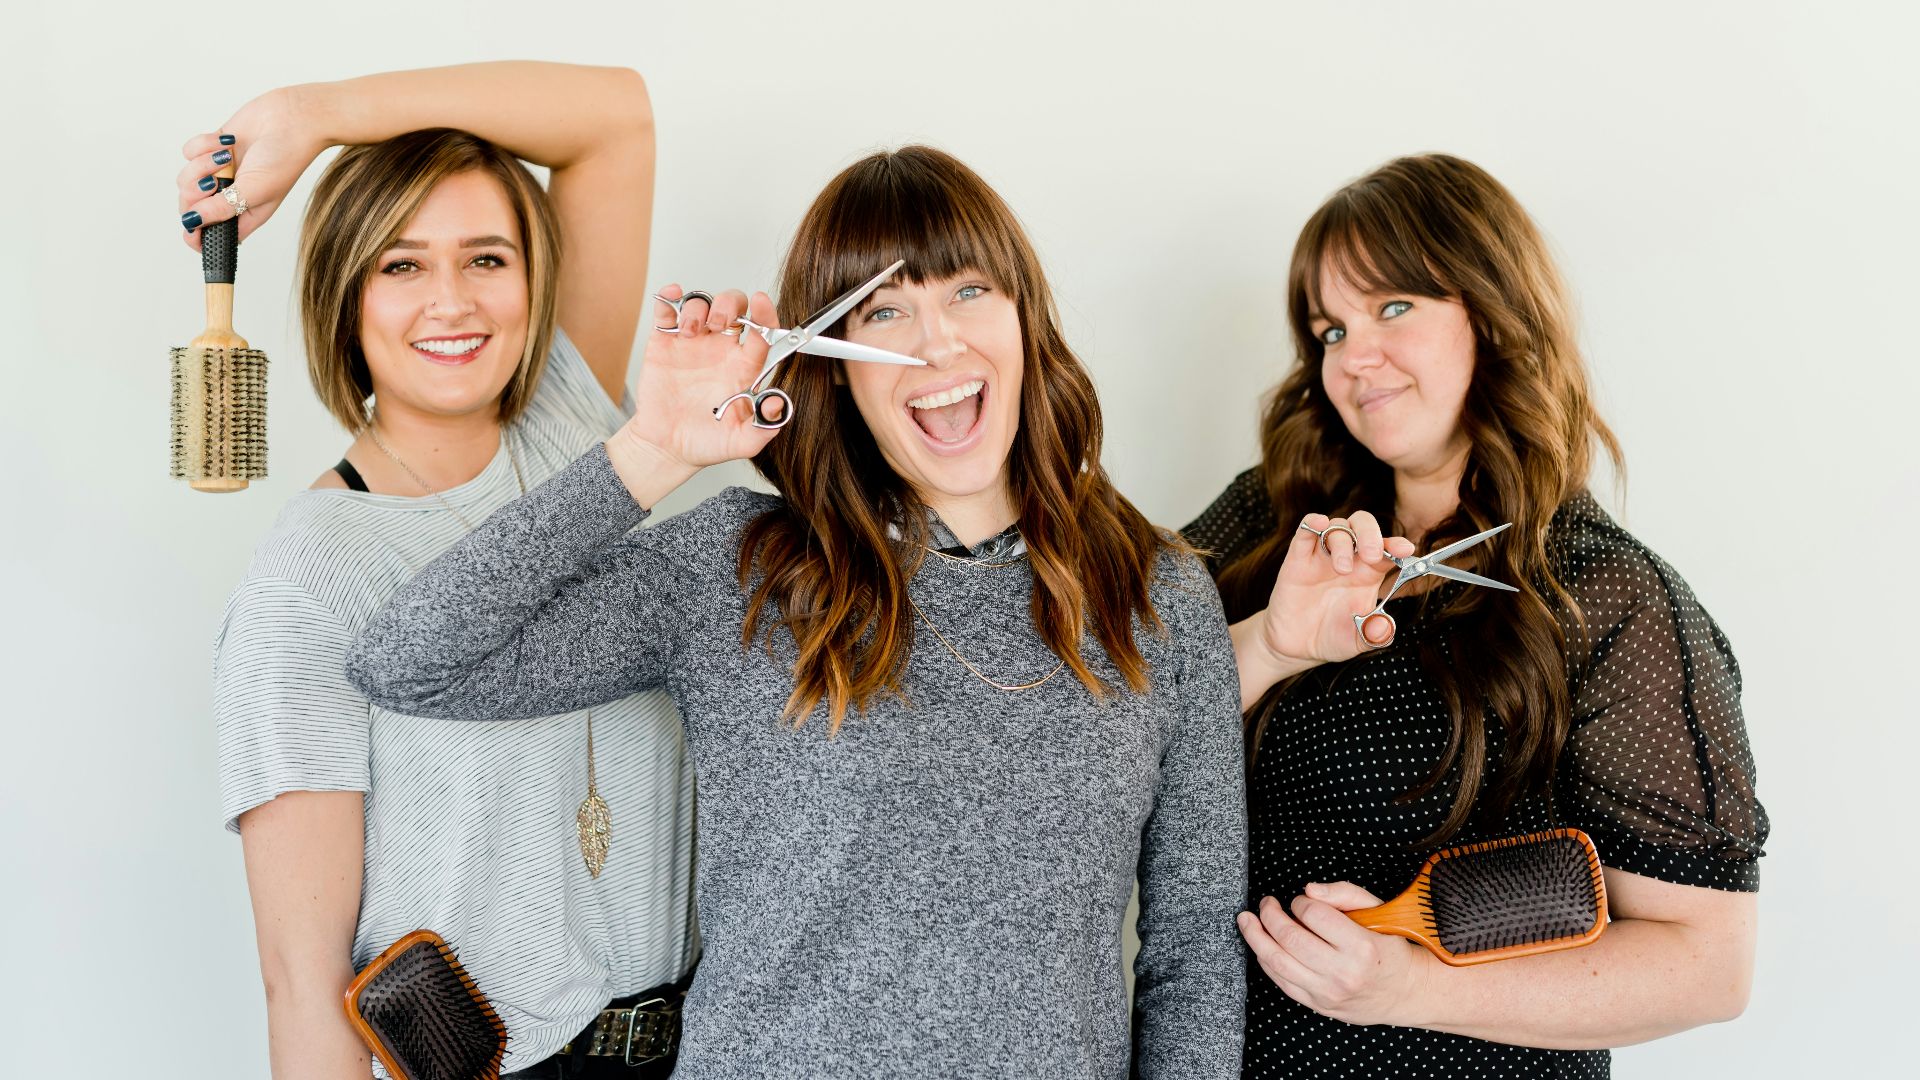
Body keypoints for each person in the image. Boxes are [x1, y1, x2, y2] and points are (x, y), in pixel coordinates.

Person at [345, 145, 1248, 1079]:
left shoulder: (1162, 596)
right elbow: (412, 661)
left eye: (969, 292)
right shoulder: (739, 570)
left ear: (1026, 318)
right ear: (836, 367)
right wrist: (653, 449)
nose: (936, 344)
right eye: (884, 312)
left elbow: (1193, 956)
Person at [1184, 153, 1768, 1078]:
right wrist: (1268, 645)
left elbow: (1706, 964)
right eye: (1329, 329)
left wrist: (1408, 987)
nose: (1353, 357)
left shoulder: (1606, 597)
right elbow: (1108, 710)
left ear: (1493, 314)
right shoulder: (1269, 526)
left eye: (1393, 307)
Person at [197, 63, 695, 1079]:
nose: (454, 303)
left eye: (486, 257)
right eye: (401, 266)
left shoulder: (570, 423)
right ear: (345, 292)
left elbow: (615, 120)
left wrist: (314, 117)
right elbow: (304, 980)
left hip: (710, 1041)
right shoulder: (314, 575)